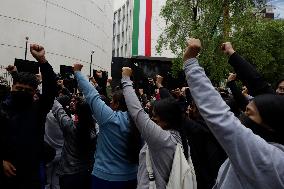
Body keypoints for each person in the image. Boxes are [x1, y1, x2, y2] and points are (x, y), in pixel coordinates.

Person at [183, 38, 284, 188]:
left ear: (269, 126)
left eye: (248, 113)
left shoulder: (268, 160)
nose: (241, 116)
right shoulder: (274, 128)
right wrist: (232, 54)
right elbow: (260, 85)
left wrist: (190, 62)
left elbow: (219, 115)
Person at [121, 67, 195, 189]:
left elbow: (137, 112)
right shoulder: (179, 135)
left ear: (166, 119)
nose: (151, 120)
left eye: (155, 116)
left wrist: (126, 79)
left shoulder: (162, 139)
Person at [0, 44, 57, 189]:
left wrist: (42, 60)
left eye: (28, 90)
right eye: (19, 89)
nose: (22, 92)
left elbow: (51, 88)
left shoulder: (38, 110)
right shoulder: (2, 108)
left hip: (30, 177)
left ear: (34, 93)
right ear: (12, 88)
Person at [73, 64, 139, 189]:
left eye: (112, 101)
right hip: (133, 177)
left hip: (105, 178)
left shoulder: (109, 118)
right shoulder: (140, 120)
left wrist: (77, 72)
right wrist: (127, 78)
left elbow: (91, 94)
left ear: (117, 104)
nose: (110, 103)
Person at [52, 97, 97, 189]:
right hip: (86, 171)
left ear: (78, 113)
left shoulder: (70, 127)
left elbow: (59, 111)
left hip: (68, 172)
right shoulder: (94, 131)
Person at [44, 95, 70, 189]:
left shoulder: (49, 116)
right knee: (56, 180)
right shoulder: (67, 119)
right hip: (61, 153)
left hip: (49, 152)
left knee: (47, 181)